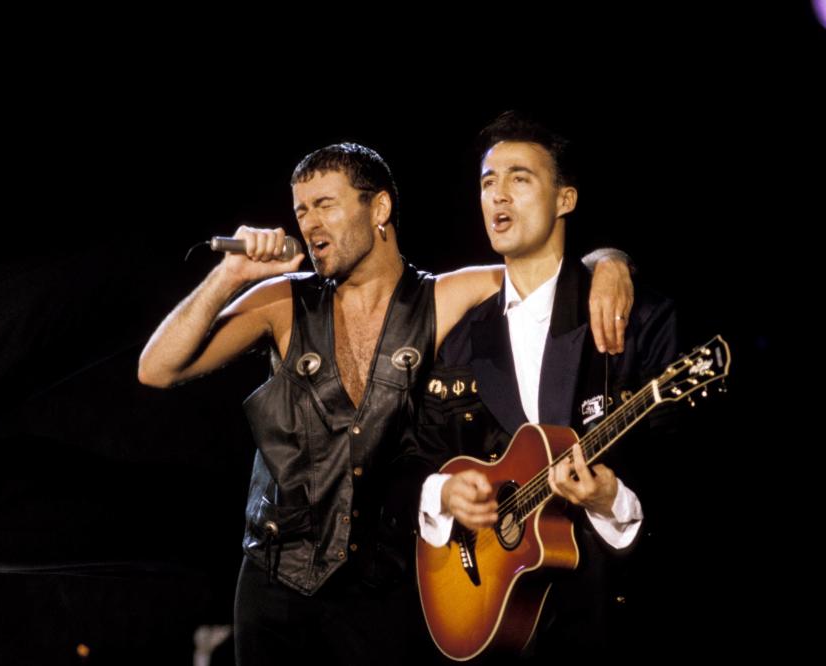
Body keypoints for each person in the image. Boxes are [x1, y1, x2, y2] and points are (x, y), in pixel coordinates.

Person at [137, 141, 635, 664]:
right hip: (275, 582)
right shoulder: (284, 301)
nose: (309, 223)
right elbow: (156, 368)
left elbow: (549, 274)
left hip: (385, 587)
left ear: (379, 209)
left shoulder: (443, 296)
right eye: (301, 209)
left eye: (326, 204)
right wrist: (229, 277)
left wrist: (610, 263)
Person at [415, 111, 679, 660]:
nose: (498, 196)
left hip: (611, 615)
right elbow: (421, 452)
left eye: (520, 178)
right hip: (499, 618)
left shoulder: (637, 318)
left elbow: (681, 463)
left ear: (566, 200)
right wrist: (445, 494)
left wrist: (613, 500)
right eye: (488, 182)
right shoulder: (463, 338)